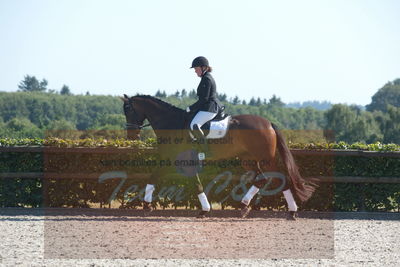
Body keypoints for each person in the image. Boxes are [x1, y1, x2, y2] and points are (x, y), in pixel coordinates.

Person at [187, 56, 221, 158]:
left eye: (196, 69)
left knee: (194, 125)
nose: (195, 71)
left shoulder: (206, 79)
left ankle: (206, 151)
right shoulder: (206, 78)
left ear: (204, 68)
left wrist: (190, 108)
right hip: (206, 107)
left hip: (209, 109)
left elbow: (204, 99)